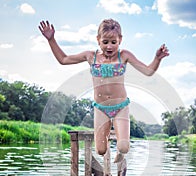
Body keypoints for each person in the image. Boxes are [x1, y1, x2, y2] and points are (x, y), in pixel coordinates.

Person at [38, 19, 169, 163]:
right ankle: (107, 137)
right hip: (101, 108)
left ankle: (121, 150)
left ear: (120, 40)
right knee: (100, 150)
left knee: (124, 146)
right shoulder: (91, 56)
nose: (109, 46)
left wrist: (157, 59)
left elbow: (148, 71)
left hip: (121, 107)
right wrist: (51, 39)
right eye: (105, 42)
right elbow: (64, 59)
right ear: (98, 40)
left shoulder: (124, 55)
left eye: (114, 42)